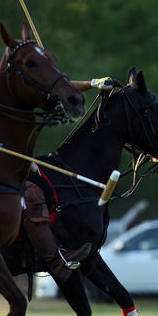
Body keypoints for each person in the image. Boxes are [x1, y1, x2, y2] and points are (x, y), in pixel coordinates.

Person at [22, 77, 114, 282]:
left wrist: (93, 83)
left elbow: (54, 86)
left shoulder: (18, 85)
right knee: (32, 193)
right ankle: (56, 259)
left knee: (42, 186)